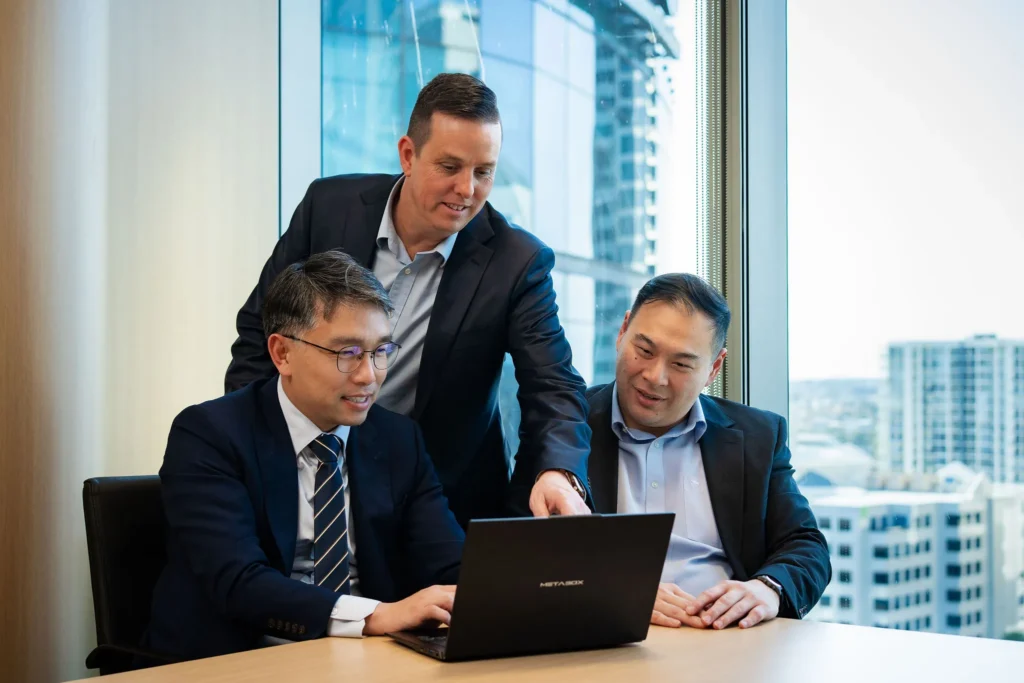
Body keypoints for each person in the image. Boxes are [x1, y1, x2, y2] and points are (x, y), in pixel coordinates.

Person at [226, 73, 591, 526]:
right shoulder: (328, 207)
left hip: (435, 500)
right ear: (408, 155)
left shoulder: (517, 262)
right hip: (300, 467)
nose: (467, 190)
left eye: (484, 172)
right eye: (450, 167)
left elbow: (553, 385)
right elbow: (261, 336)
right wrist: (255, 452)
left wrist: (558, 473)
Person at [144, 251, 465, 661]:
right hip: (236, 660)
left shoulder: (398, 439)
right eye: (347, 353)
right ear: (282, 354)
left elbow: (449, 563)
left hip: (369, 662)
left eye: (380, 351)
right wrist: (373, 616)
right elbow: (238, 582)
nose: (369, 375)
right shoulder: (210, 435)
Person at [583, 273, 830, 631]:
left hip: (725, 640)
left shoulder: (758, 437)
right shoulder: (566, 425)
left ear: (714, 368)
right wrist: (617, 592)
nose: (655, 376)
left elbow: (806, 546)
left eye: (681, 364)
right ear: (623, 332)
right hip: (605, 637)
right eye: (645, 350)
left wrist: (767, 590)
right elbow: (521, 554)